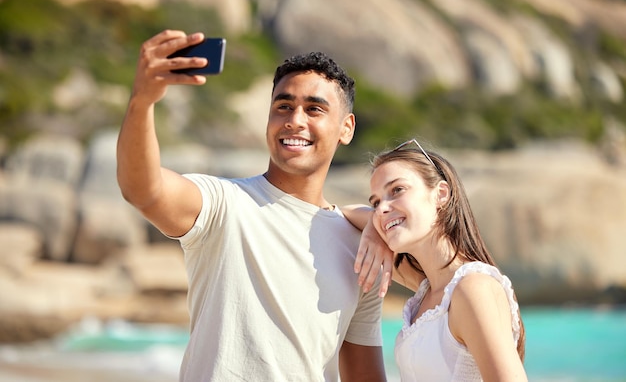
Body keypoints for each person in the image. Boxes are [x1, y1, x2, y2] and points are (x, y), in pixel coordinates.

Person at [116, 30, 388, 381]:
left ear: (346, 128)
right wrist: (142, 101)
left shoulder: (363, 248)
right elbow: (143, 189)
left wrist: (376, 224)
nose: (295, 120)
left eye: (315, 109)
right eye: (283, 106)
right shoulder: (223, 204)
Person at [346, 138, 527, 381]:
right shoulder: (430, 289)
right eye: (376, 202)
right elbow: (339, 212)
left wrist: (374, 223)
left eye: (397, 190)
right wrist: (372, 224)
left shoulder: (473, 289)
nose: (381, 209)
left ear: (441, 194)